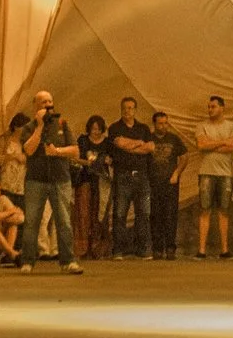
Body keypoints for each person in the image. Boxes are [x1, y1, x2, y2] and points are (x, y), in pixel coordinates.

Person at [19, 88, 83, 273]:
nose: (48, 105)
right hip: (36, 180)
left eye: (50, 101)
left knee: (64, 221)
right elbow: (28, 150)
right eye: (43, 102)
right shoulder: (29, 127)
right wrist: (40, 127)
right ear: (35, 106)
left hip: (60, 179)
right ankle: (28, 261)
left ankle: (68, 261)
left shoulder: (62, 123)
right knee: (32, 221)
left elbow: (75, 151)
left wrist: (57, 152)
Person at [107, 96, 155, 258]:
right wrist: (139, 143)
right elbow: (119, 144)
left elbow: (150, 147)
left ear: (135, 110)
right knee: (120, 213)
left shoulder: (143, 128)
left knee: (144, 213)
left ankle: (143, 249)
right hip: (123, 175)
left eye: (130, 108)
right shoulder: (114, 128)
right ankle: (118, 250)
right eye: (124, 108)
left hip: (142, 175)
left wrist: (130, 145)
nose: (127, 111)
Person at [193, 94, 233, 258]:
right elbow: (201, 145)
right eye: (209, 107)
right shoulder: (201, 126)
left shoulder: (232, 126)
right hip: (206, 172)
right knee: (205, 209)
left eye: (213, 106)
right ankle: (201, 250)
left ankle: (224, 250)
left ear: (222, 108)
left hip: (225, 173)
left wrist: (211, 144)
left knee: (223, 210)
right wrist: (222, 142)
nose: (210, 109)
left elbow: (231, 147)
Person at [148, 111, 187, 259]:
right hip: (153, 182)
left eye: (166, 123)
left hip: (170, 182)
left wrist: (177, 173)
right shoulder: (148, 138)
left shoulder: (174, 139)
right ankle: (157, 249)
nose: (163, 126)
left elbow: (184, 157)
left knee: (170, 215)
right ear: (154, 124)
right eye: (160, 123)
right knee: (155, 215)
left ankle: (170, 248)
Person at [76, 114, 113, 258]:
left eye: (98, 129)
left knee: (99, 214)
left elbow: (111, 159)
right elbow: (76, 158)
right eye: (93, 129)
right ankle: (83, 248)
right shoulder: (83, 140)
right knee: (84, 213)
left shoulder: (107, 142)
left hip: (102, 182)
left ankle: (97, 248)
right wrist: (89, 163)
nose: (95, 132)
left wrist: (107, 161)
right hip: (85, 179)